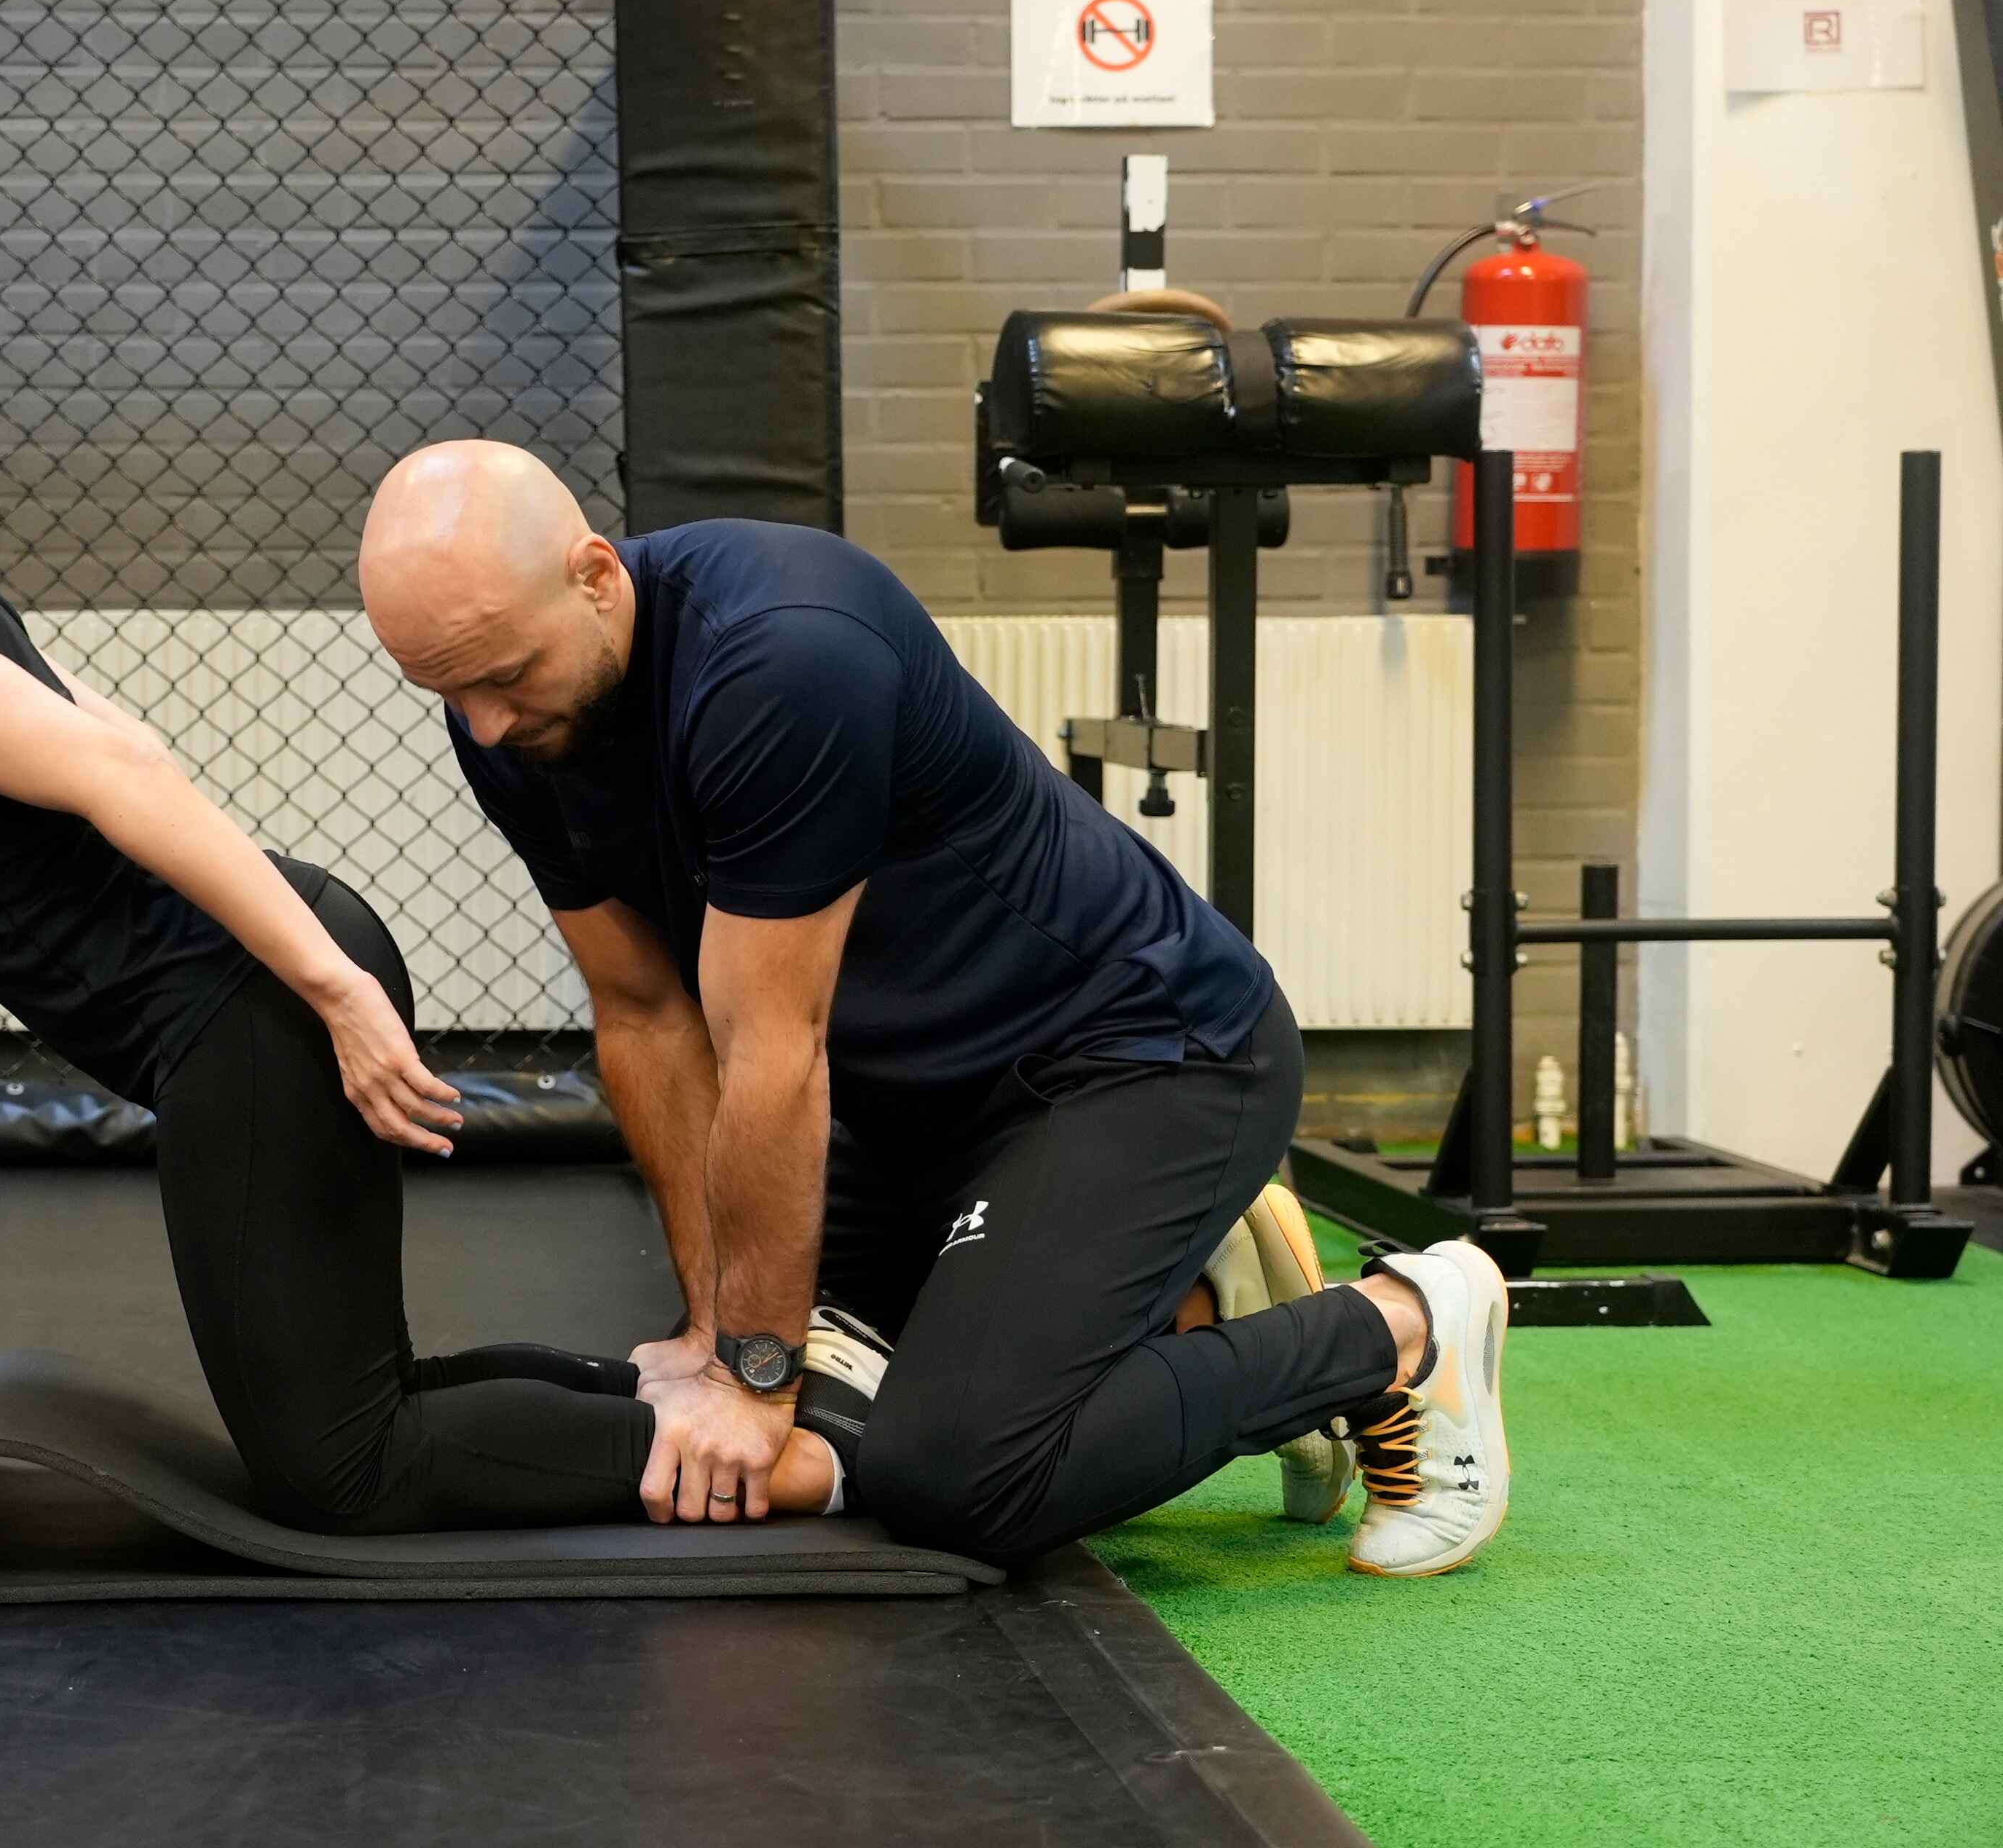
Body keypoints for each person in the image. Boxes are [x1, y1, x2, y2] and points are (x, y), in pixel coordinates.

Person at [0, 286, 838, 1536]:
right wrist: (316, 963)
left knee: (346, 1476)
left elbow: (120, 768)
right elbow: (114, 726)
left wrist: (329, 991)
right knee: (372, 1400)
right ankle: (675, 1394)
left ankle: (799, 1467)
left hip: (247, 1010)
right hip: (256, 987)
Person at [357, 439, 1515, 1577]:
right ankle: (1197, 1307)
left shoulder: (781, 655)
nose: (488, 725)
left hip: (1142, 1058)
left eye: (505, 677)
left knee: (960, 1477)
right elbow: (647, 1012)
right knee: (795, 1386)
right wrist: (716, 1335)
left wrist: (748, 1377)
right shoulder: (510, 715)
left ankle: (1398, 1327)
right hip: (917, 1116)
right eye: (447, 691)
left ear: (597, 575)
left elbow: (773, 1049)